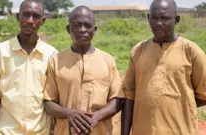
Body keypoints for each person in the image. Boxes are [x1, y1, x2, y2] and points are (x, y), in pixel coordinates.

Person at [121, 0, 206, 135]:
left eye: (165, 18)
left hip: (180, 130)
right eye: (154, 18)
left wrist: (178, 105)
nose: (158, 23)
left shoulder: (191, 51)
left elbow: (204, 94)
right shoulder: (138, 51)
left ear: (176, 20)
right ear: (149, 18)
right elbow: (129, 95)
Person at [0, 0, 57, 134]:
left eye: (36, 16)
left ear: (43, 21)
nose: (30, 21)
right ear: (18, 17)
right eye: (25, 15)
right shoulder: (0, 53)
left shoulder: (52, 55)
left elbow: (54, 100)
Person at [43, 6, 125, 135]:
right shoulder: (56, 61)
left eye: (87, 25)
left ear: (95, 29)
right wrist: (69, 113)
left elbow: (117, 100)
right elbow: (48, 103)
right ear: (68, 29)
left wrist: (98, 116)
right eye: (77, 25)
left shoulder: (107, 60)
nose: (82, 30)